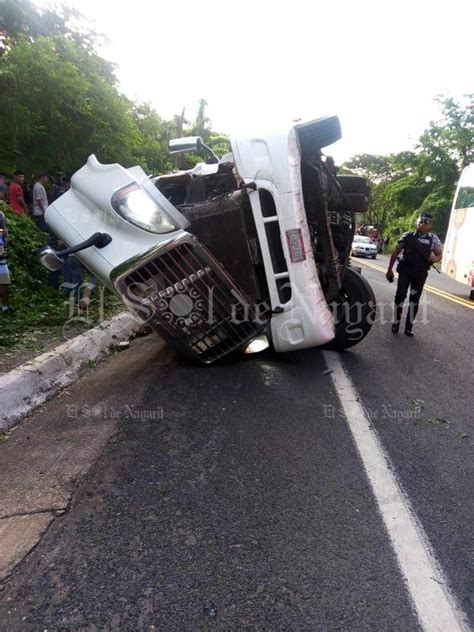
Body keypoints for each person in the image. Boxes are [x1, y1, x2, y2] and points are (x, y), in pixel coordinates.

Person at [386, 213, 442, 336]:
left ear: (430, 225)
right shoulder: (407, 236)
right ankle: (396, 322)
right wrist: (389, 269)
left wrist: (434, 258)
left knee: (414, 300)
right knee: (400, 295)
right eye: (420, 221)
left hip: (420, 273)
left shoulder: (433, 239)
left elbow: (439, 254)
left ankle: (408, 327)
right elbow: (396, 251)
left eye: (426, 222)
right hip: (406, 269)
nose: (422, 224)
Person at [0, 197, 12, 313]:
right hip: (0, 250)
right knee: (4, 281)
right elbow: (4, 233)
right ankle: (5, 306)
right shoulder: (1, 215)